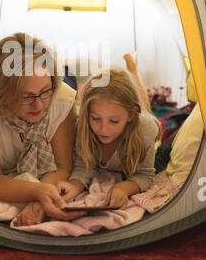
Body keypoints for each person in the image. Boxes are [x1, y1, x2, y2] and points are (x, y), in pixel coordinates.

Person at [0, 32, 85, 226]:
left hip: (61, 84)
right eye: (25, 97)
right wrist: (37, 192)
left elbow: (64, 167)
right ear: (1, 94)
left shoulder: (61, 98)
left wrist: (40, 199)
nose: (38, 106)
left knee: (68, 81)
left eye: (44, 91)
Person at [59, 54, 162, 209]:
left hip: (143, 122)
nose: (103, 129)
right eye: (96, 118)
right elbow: (82, 167)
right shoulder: (84, 125)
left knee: (147, 109)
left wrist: (123, 188)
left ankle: (132, 67)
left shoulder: (145, 129)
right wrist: (73, 186)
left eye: (114, 121)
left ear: (131, 115)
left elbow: (144, 175)